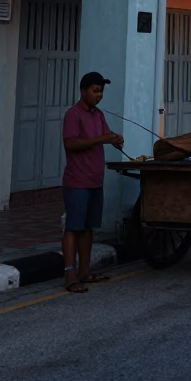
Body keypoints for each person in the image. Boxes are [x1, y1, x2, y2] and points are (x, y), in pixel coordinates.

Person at [61, 71, 124, 293]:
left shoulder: (98, 115)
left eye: (101, 92)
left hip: (95, 181)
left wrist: (115, 139)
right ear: (83, 91)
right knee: (73, 228)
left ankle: (85, 271)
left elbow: (106, 135)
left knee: (88, 228)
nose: (99, 96)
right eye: (95, 91)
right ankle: (70, 275)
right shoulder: (73, 114)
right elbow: (70, 143)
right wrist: (102, 139)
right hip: (77, 181)